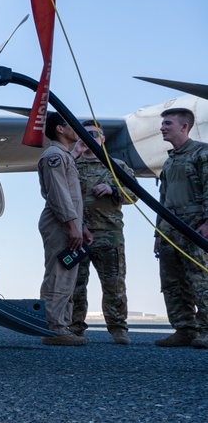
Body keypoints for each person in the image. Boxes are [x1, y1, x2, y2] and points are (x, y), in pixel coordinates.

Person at [69, 120, 135, 344]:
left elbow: (134, 195)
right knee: (75, 285)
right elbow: (53, 187)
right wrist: (73, 153)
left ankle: (118, 328)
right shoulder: (71, 165)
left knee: (114, 284)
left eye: (94, 134)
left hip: (109, 233)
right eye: (84, 134)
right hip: (75, 234)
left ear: (103, 139)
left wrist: (113, 189)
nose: (89, 138)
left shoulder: (116, 166)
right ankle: (75, 328)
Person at [153, 107, 208, 349]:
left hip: (195, 226)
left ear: (184, 126)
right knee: (172, 282)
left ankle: (206, 330)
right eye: (163, 123)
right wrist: (157, 233)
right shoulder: (169, 161)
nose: (163, 127)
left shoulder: (201, 153)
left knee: (200, 279)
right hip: (169, 228)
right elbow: (162, 200)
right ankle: (184, 329)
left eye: (168, 123)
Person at [37, 111, 93, 345]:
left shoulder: (65, 156)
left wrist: (81, 226)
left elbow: (71, 197)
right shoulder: (54, 156)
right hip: (60, 223)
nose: (76, 128)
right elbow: (59, 195)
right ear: (59, 129)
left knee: (68, 275)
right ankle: (54, 328)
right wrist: (72, 226)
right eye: (71, 124)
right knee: (59, 275)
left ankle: (64, 326)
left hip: (69, 223)